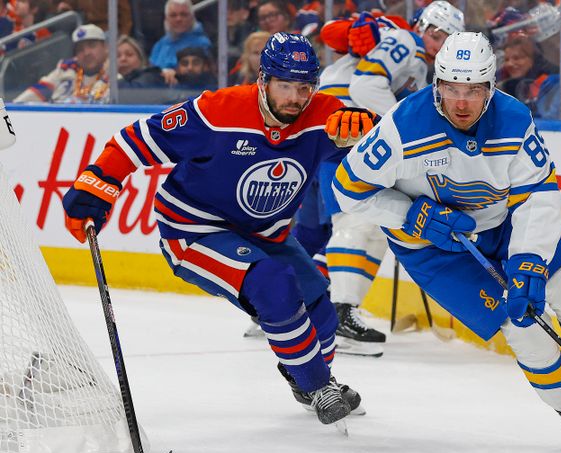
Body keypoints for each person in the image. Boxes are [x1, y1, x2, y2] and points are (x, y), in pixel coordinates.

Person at [332, 32, 561, 448]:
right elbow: (349, 189)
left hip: (501, 226)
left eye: (473, 90)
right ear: (436, 85)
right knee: (521, 326)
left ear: (491, 87)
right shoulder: (401, 126)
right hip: (434, 251)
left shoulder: (514, 119)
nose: (461, 102)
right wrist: (411, 215)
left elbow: (539, 195)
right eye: (451, 89)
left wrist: (528, 264)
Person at [61, 33, 376, 428]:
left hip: (266, 236)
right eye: (285, 86)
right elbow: (135, 139)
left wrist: (368, 127)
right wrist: (97, 185)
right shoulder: (216, 111)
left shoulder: (324, 116)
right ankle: (318, 386)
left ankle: (304, 379)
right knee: (274, 284)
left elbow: (380, 141)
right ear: (263, 80)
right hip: (194, 233)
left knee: (321, 311)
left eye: (305, 87)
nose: (296, 98)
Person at [319, 1, 464, 357]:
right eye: (436, 33)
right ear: (423, 28)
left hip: (345, 131)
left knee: (369, 221)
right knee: (360, 218)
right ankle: (338, 313)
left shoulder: (425, 66)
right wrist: (402, 132)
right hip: (341, 127)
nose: (439, 42)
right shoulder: (405, 40)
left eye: (448, 38)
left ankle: (324, 308)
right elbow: (366, 85)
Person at [14, 24, 109, 104]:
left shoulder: (114, 76)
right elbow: (34, 94)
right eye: (80, 49)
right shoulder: (65, 71)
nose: (86, 53)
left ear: (105, 47)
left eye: (92, 45)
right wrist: (10, 109)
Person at [149, 0, 213, 73]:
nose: (178, 19)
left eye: (184, 14)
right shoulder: (159, 45)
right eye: (173, 15)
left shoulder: (202, 44)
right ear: (166, 19)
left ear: (192, 17)